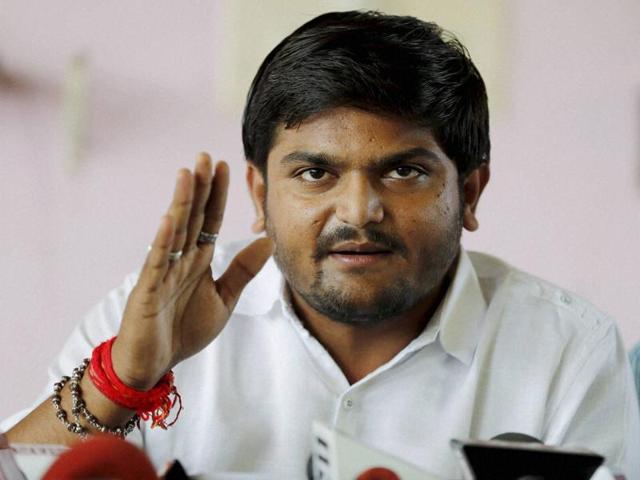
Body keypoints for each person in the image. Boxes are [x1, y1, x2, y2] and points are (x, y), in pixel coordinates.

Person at [3, 10, 639, 479]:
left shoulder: (568, 351)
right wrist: (125, 381)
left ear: (470, 192)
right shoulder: (153, 316)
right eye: (315, 173)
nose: (359, 211)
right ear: (259, 195)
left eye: (405, 171)